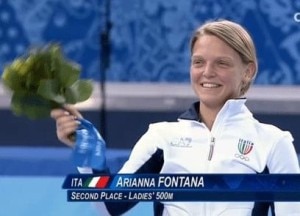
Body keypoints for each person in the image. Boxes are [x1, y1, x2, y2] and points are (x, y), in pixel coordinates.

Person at [51, 19, 300, 216]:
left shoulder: (273, 143)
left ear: (248, 71)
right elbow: (110, 206)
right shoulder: (162, 138)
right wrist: (90, 161)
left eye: (222, 63)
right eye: (198, 62)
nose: (207, 72)